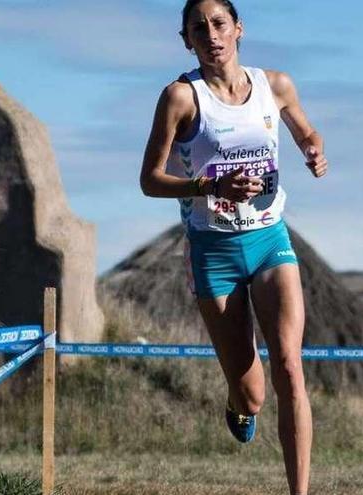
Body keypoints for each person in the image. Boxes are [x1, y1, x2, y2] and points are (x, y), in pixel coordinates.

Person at [139, 1, 328, 493]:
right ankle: (236, 403)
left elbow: (304, 128)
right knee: (253, 396)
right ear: (186, 40)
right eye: (198, 29)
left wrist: (311, 145)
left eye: (219, 24)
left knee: (289, 364)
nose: (211, 35)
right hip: (214, 249)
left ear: (238, 29)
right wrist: (208, 188)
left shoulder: (276, 85)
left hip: (269, 238)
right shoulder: (181, 97)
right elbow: (150, 180)